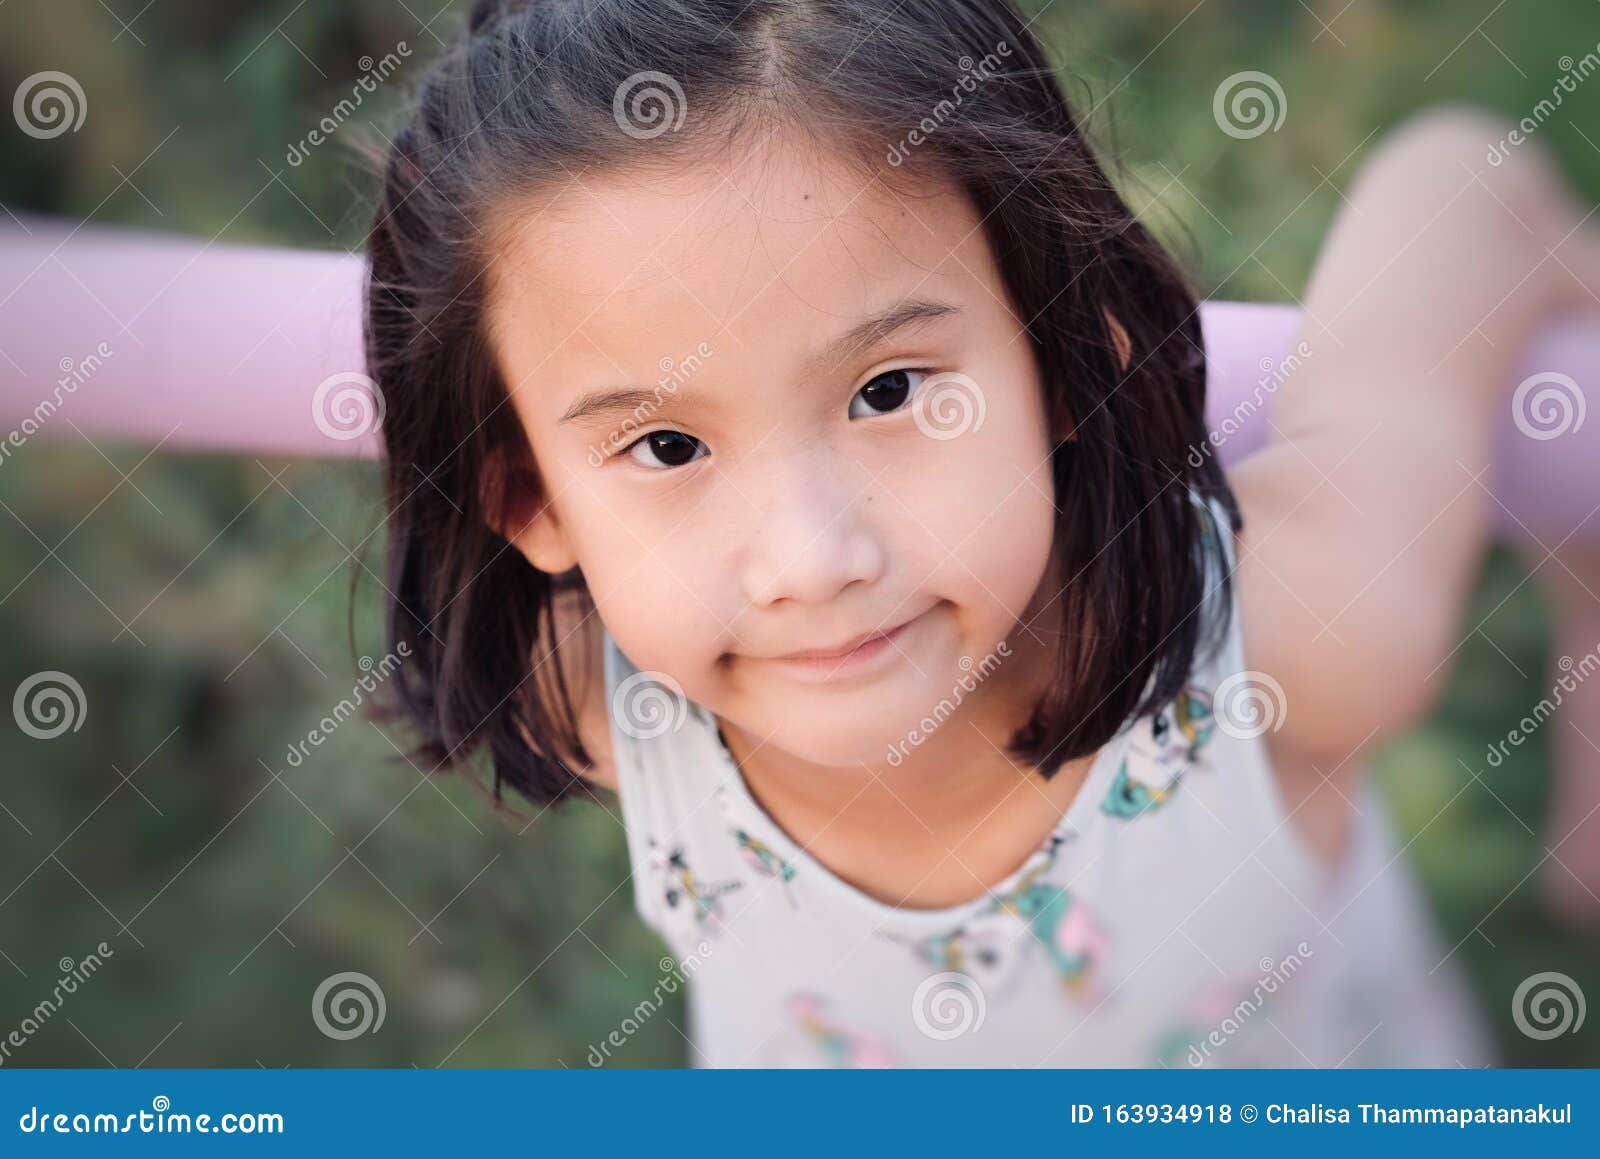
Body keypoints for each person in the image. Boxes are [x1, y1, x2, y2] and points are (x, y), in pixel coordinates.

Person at [365, 0, 1600, 1065]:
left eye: (890, 390)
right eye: (668, 447)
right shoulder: (599, 694)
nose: (811, 558)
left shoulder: (1290, 636)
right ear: (532, 503)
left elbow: (1463, 188)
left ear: (1061, 353)